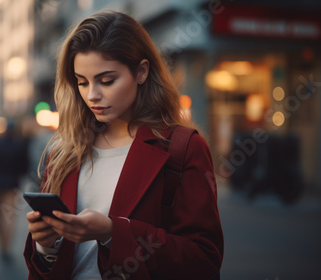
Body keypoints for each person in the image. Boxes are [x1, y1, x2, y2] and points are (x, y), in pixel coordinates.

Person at [24, 10, 223, 280]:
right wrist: (46, 245)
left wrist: (111, 233)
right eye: (82, 82)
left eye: (107, 81)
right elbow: (45, 268)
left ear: (141, 72)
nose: (92, 95)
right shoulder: (65, 149)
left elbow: (203, 260)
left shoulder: (183, 147)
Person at [0, 122, 29, 261]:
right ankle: (6, 247)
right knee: (9, 217)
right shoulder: (19, 147)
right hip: (11, 185)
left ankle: (0, 242)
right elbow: (24, 167)